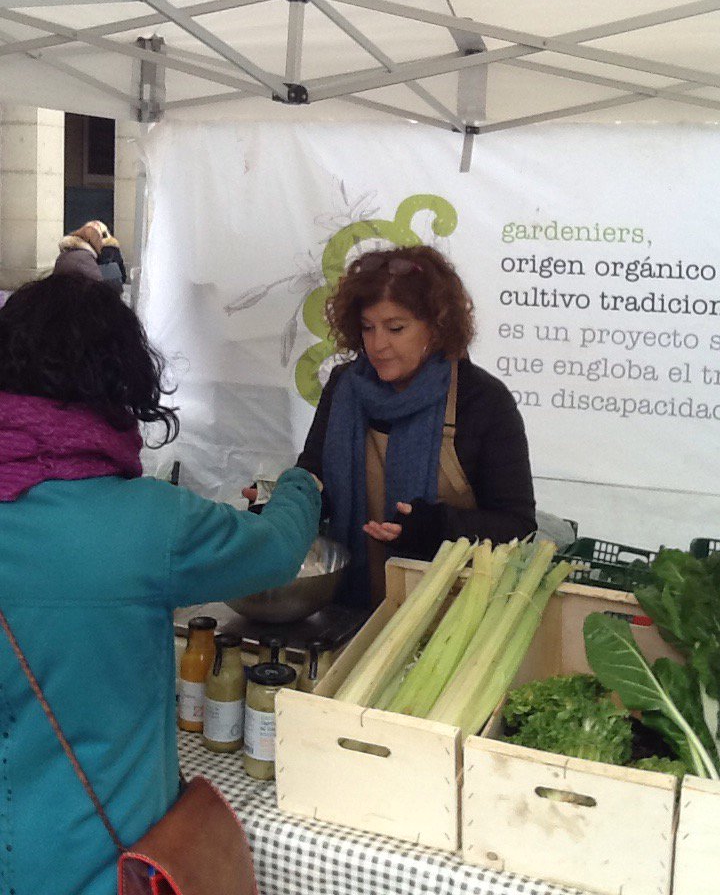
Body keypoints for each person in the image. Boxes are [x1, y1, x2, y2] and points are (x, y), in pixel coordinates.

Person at [0, 273, 321, 895]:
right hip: (102, 861)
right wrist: (303, 485)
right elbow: (278, 552)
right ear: (118, 381)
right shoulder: (148, 520)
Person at [295, 245, 536, 610]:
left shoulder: (482, 401)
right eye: (367, 328)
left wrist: (438, 528)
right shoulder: (344, 387)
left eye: (396, 328)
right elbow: (316, 480)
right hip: (349, 608)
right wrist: (282, 504)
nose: (378, 345)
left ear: (437, 327)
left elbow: (517, 525)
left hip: (449, 612)